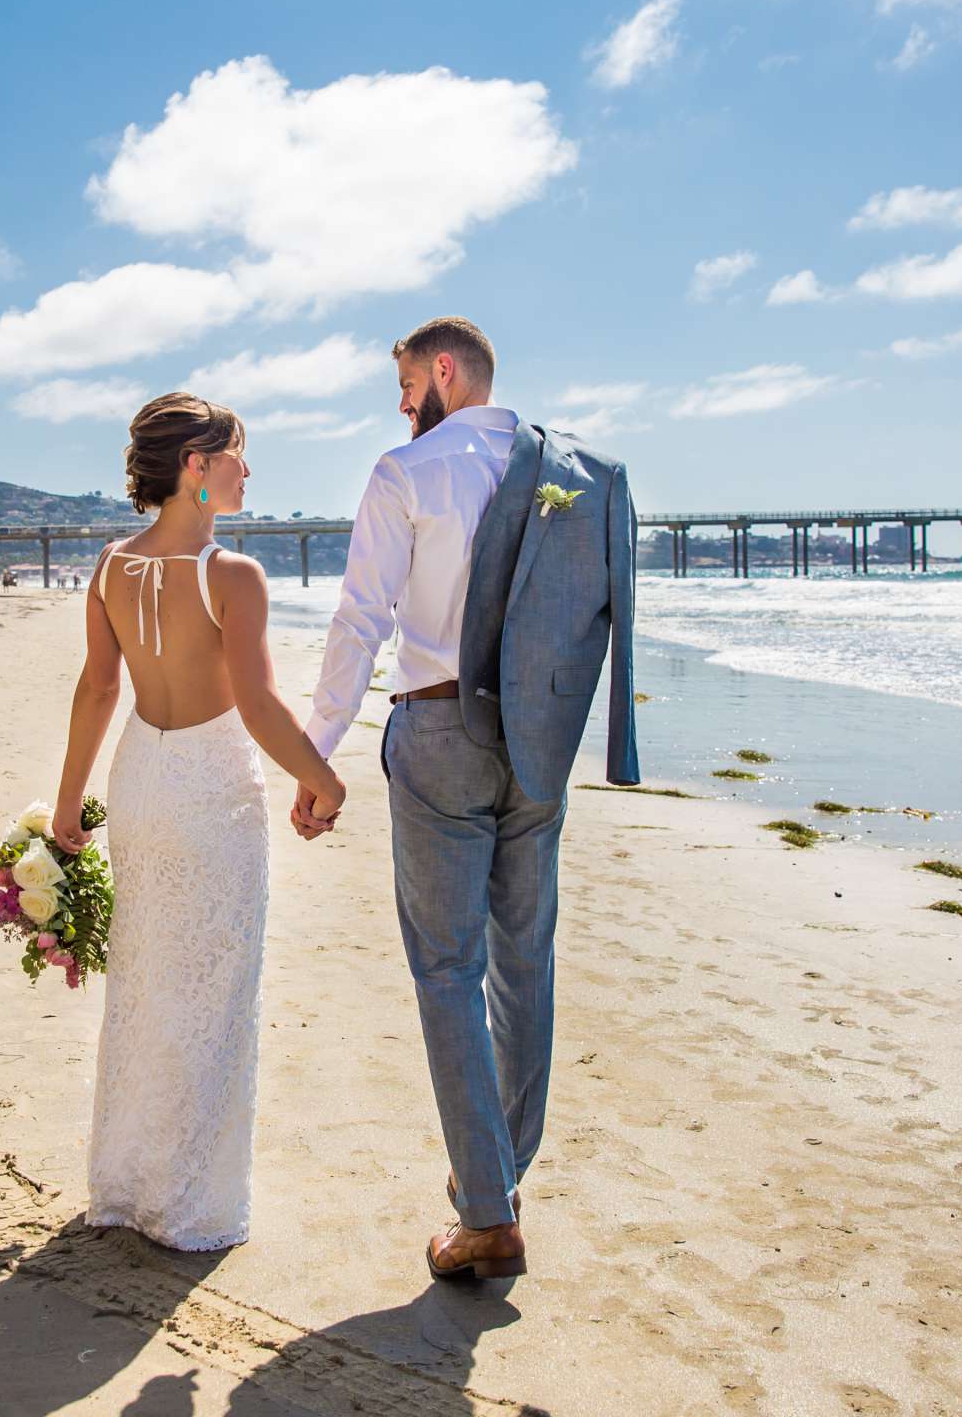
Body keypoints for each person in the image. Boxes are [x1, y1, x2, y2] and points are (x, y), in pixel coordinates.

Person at [297, 316, 638, 1284]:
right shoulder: (580, 474)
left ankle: (487, 1211)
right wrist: (592, 742)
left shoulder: (407, 474)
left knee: (449, 967)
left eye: (406, 383)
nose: (402, 404)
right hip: (540, 749)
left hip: (441, 734)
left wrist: (318, 754)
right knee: (524, 964)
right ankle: (499, 1177)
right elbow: (599, 619)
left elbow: (361, 618)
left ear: (444, 370)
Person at [48, 392, 346, 1251]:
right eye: (237, 456)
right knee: (213, 988)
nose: (248, 471)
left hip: (142, 781)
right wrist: (324, 782)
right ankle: (190, 1206)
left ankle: (128, 1183)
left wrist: (71, 802)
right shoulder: (233, 575)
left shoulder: (108, 568)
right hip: (212, 792)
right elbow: (256, 703)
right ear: (196, 468)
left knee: (145, 980)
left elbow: (100, 690)